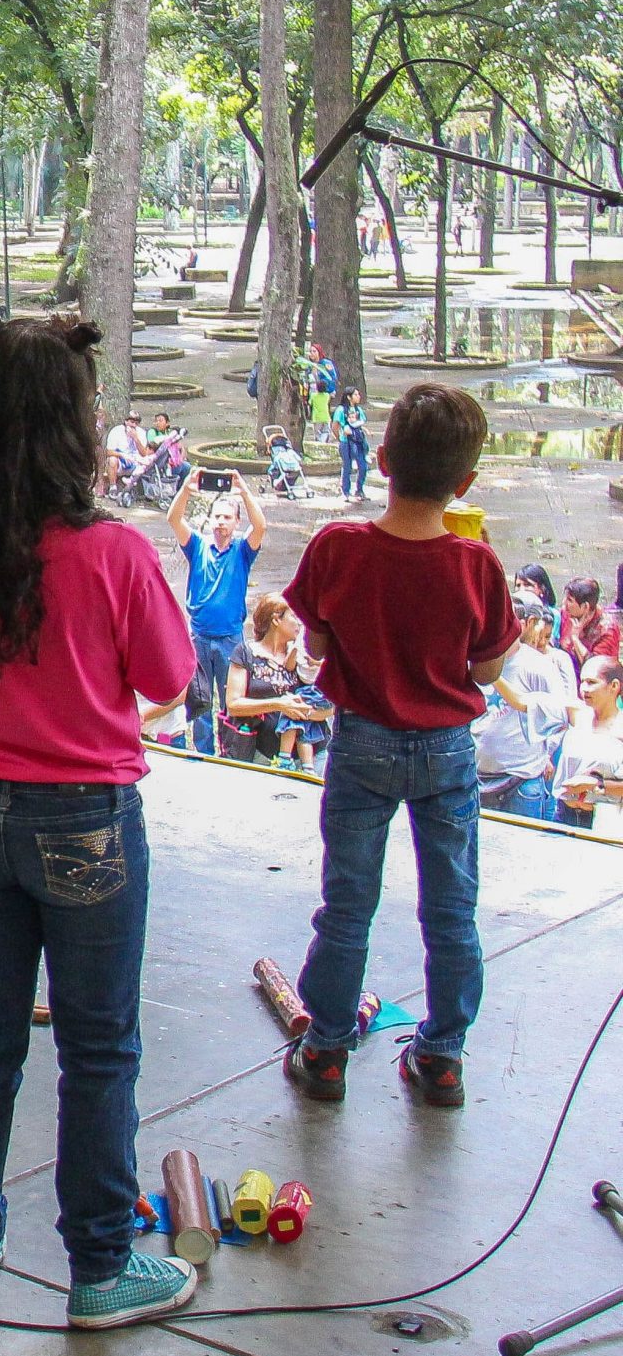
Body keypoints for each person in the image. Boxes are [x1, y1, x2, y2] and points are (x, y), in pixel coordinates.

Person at [0, 311, 199, 1329]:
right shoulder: (116, 552)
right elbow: (170, 678)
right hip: (87, 822)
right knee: (98, 1048)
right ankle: (99, 1268)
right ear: (77, 423)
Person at [284, 383, 518, 1111]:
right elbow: (487, 670)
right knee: (451, 908)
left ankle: (326, 1048)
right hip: (447, 750)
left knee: (348, 903)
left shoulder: (337, 546)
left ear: (382, 460)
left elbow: (316, 645)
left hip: (362, 742)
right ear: (466, 482)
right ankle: (442, 1055)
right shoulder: (477, 565)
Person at [167, 470, 266, 757]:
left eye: (227, 517)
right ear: (210, 519)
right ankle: (203, 753)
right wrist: (187, 489)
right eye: (217, 516)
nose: (221, 521)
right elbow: (174, 519)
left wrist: (243, 490)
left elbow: (260, 526)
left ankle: (230, 752)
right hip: (199, 636)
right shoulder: (198, 545)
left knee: (230, 700)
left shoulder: (242, 550)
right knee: (199, 701)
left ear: (236, 522)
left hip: (229, 638)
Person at [475, 600, 571, 821]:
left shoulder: (538, 665)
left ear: (518, 625)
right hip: (477, 776)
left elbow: (560, 715)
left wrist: (548, 753)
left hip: (522, 780)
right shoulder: (475, 661)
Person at [224, 595, 332, 770]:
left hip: (313, 754)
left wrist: (303, 712)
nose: (300, 623)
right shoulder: (245, 653)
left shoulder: (306, 656)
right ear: (276, 619)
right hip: (262, 754)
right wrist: (279, 704)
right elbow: (234, 704)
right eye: (294, 616)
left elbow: (331, 706)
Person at [555, 658, 623, 830]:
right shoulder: (577, 714)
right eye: (582, 681)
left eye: (592, 682)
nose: (584, 688)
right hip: (564, 814)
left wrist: (595, 784)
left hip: (604, 821)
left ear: (614, 686)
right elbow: (523, 702)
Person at [559, 576, 621, 667]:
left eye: (570, 600)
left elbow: (595, 668)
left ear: (585, 606)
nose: (564, 603)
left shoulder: (607, 630)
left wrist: (575, 639)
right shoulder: (567, 613)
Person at [334, 387, 370, 501]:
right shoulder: (341, 410)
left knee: (363, 467)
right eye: (356, 394)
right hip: (346, 442)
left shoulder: (358, 410)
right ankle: (345, 491)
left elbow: (360, 424)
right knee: (347, 467)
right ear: (349, 397)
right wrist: (340, 438)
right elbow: (335, 426)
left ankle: (359, 489)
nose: (358, 396)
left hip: (358, 441)